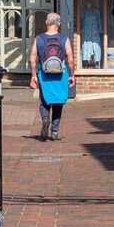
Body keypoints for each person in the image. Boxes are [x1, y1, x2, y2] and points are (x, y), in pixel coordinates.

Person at [31, 12, 75, 141]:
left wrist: (34, 75)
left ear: (46, 23)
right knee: (58, 102)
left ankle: (45, 118)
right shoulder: (64, 39)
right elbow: (71, 59)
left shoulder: (39, 39)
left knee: (44, 100)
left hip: (44, 74)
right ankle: (54, 131)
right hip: (60, 75)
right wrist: (72, 75)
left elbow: (32, 59)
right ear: (59, 24)